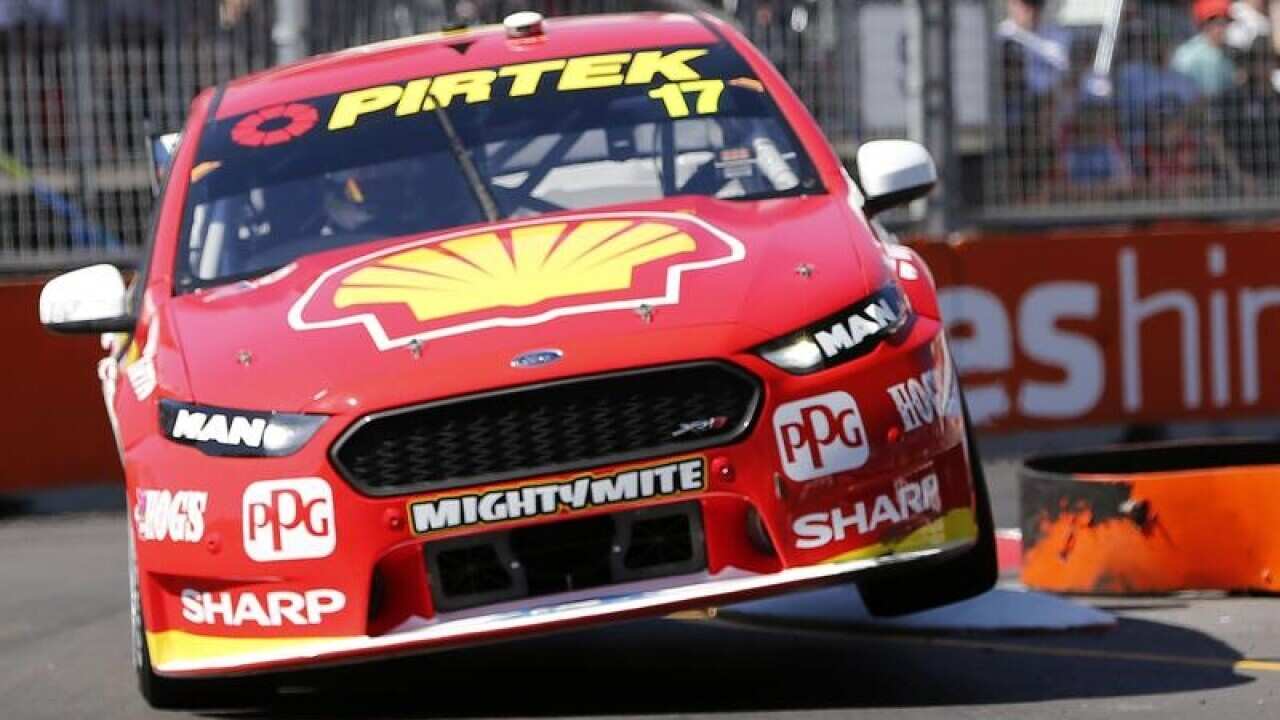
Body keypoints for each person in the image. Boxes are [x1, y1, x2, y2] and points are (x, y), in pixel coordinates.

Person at [1172, 0, 1237, 97]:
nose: (1224, 28)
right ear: (1205, 24)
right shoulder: (1187, 54)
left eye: (1226, 22)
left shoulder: (1230, 53)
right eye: (1218, 22)